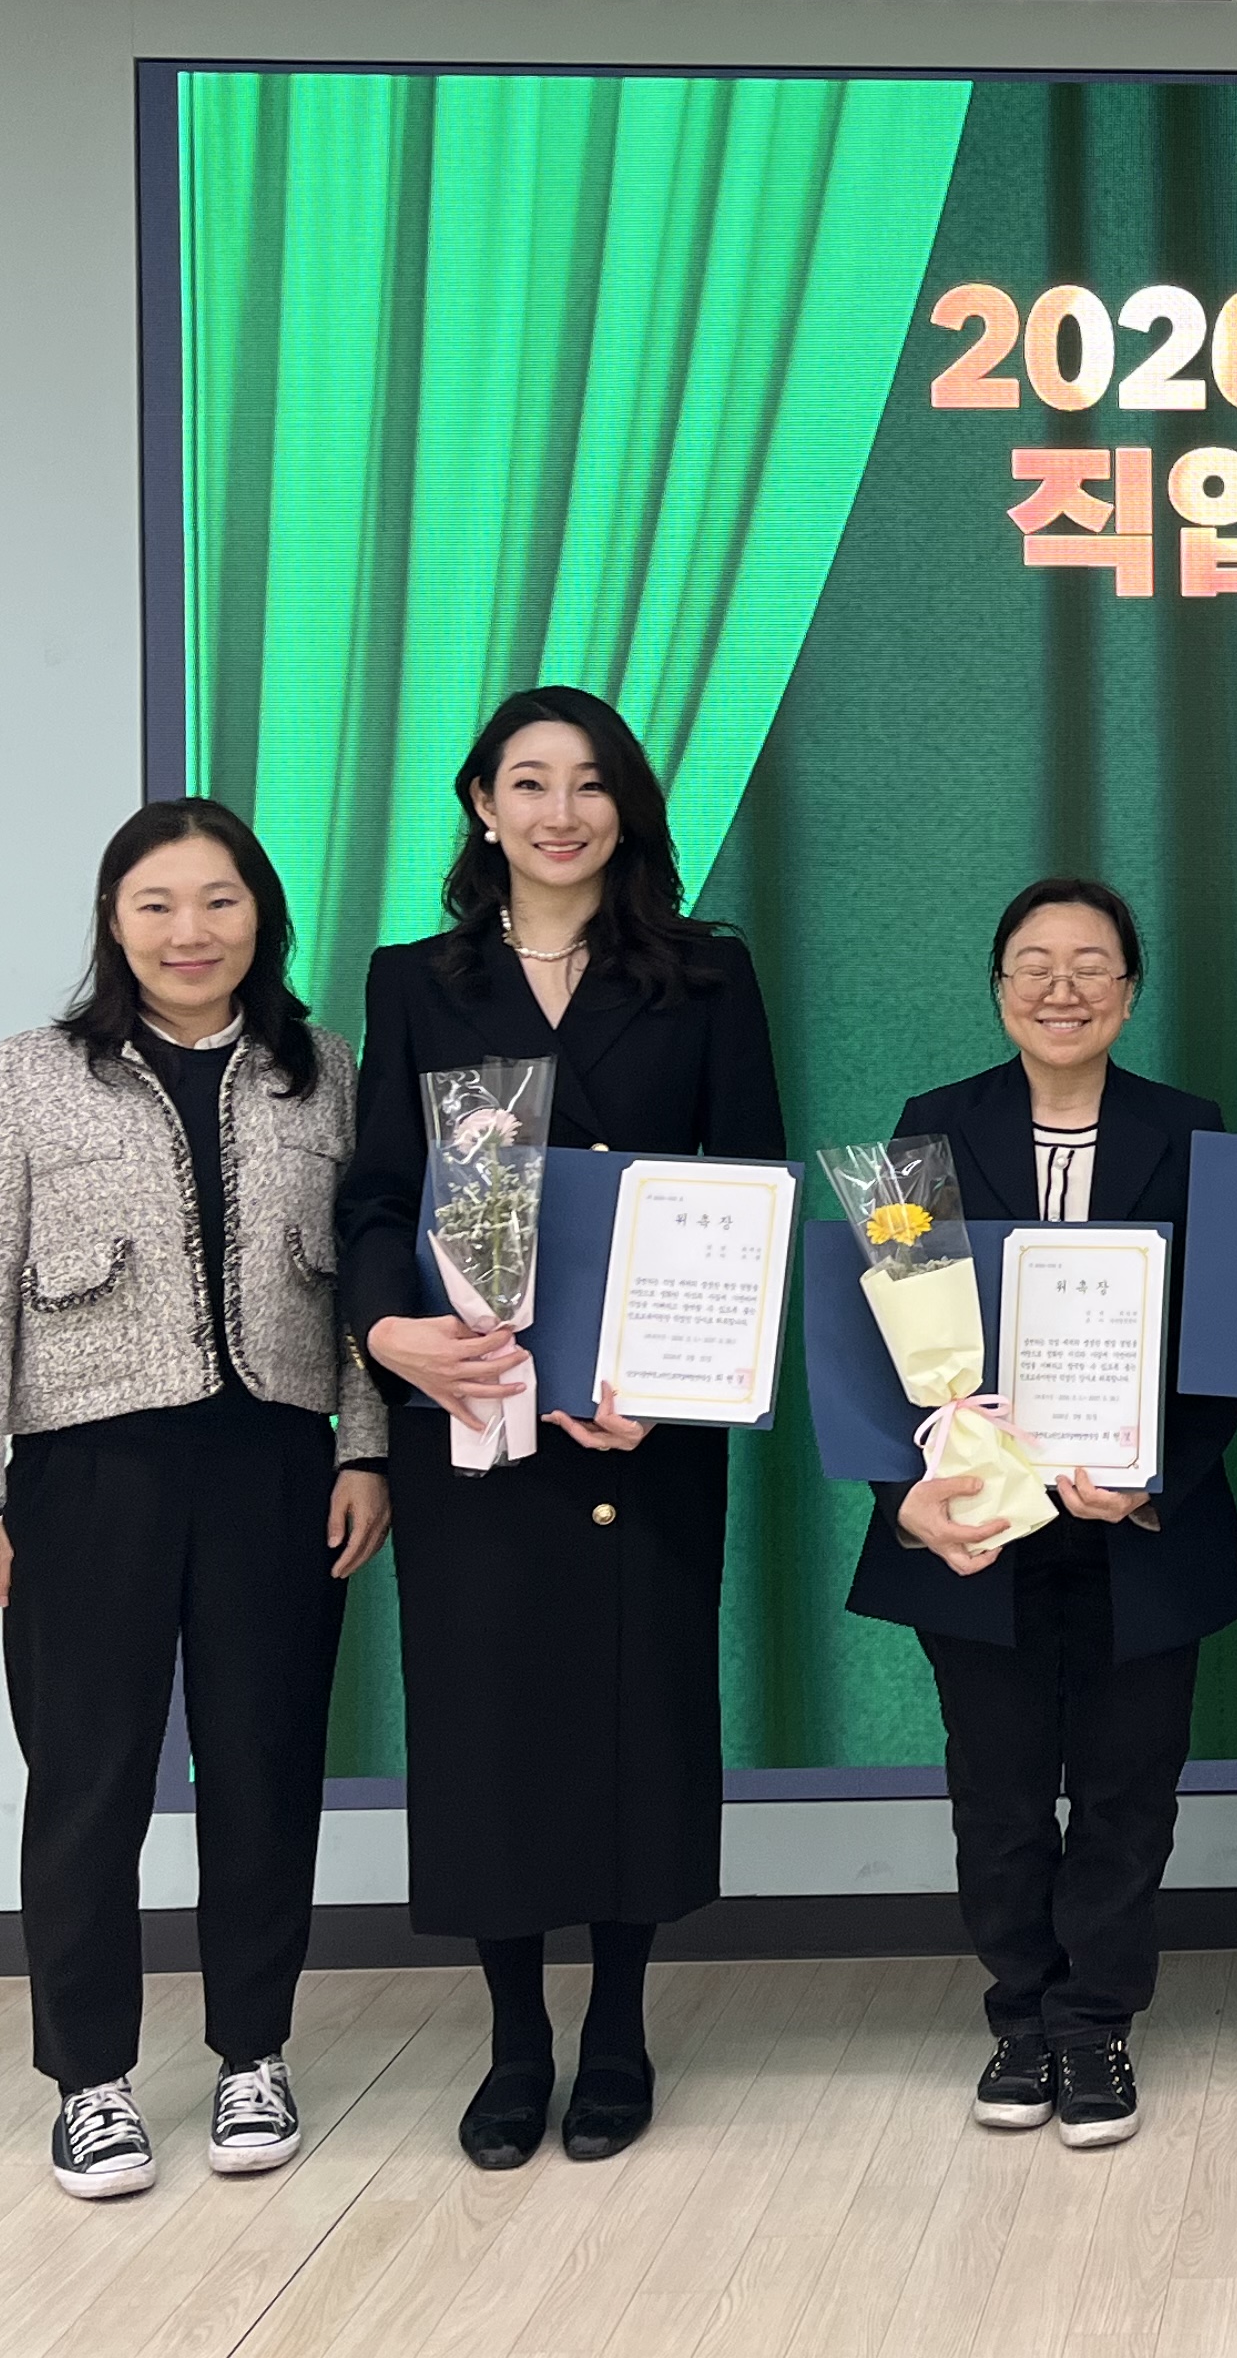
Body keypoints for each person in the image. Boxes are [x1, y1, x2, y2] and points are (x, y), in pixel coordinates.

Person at [334, 684, 786, 2170]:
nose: (559, 812)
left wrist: (666, 1382)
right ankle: (515, 2037)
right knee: (490, 1722)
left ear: (626, 807)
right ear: (482, 806)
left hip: (643, 1425)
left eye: (589, 783)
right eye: (527, 782)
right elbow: (378, 1195)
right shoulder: (418, 982)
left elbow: (749, 1194)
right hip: (472, 1411)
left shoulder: (704, 976)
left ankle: (621, 2031)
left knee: (633, 1717)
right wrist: (390, 1336)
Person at [0, 797, 391, 2201]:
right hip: (86, 1475)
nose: (192, 932)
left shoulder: (324, 1071)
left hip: (274, 1469)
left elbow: (367, 1281)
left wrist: (365, 1450)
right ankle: (91, 2083)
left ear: (263, 918)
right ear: (114, 924)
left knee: (263, 1772)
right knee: (88, 1781)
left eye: (220, 901)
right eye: (158, 905)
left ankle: (253, 2055)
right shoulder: (31, 1075)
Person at [846, 876, 1237, 2155]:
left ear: (1130, 990)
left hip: (1139, 1531)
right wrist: (908, 1500)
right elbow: (883, 1332)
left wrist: (1153, 1480)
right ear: (999, 986)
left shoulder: (1190, 1130)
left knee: (1131, 1795)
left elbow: (1225, 1345)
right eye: (1033, 964)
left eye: (1090, 966)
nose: (1060, 989)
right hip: (979, 1527)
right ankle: (1019, 2016)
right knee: (999, 1796)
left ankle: (1094, 2023)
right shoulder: (931, 1127)